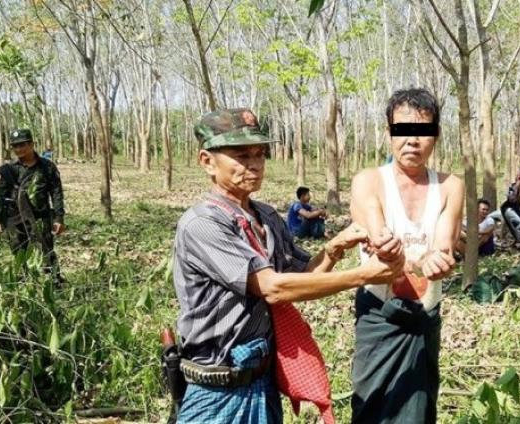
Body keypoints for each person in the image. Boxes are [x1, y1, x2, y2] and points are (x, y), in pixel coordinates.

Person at [172, 108, 403, 423]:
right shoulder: (203, 224)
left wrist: (333, 249)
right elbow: (273, 288)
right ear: (207, 161)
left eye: (260, 154)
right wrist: (364, 275)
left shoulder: (265, 217)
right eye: (241, 156)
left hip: (262, 381)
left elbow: (301, 279)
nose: (254, 164)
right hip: (217, 389)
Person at [349, 88, 463, 423]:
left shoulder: (449, 186)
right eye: (402, 131)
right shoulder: (369, 181)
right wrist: (392, 251)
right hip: (379, 315)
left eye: (423, 131)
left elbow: (445, 242)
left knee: (418, 408)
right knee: (372, 405)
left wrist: (437, 259)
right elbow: (376, 230)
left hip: (424, 315)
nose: (412, 140)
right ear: (388, 134)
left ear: (436, 137)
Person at [0, 129, 65, 276]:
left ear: (32, 144)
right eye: (15, 146)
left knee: (46, 251)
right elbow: (1, 196)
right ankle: (23, 284)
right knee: (19, 253)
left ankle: (53, 282)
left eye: (22, 145)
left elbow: (56, 193)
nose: (18, 149)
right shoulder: (9, 170)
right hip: (15, 219)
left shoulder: (47, 167)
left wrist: (59, 218)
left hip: (40, 218)